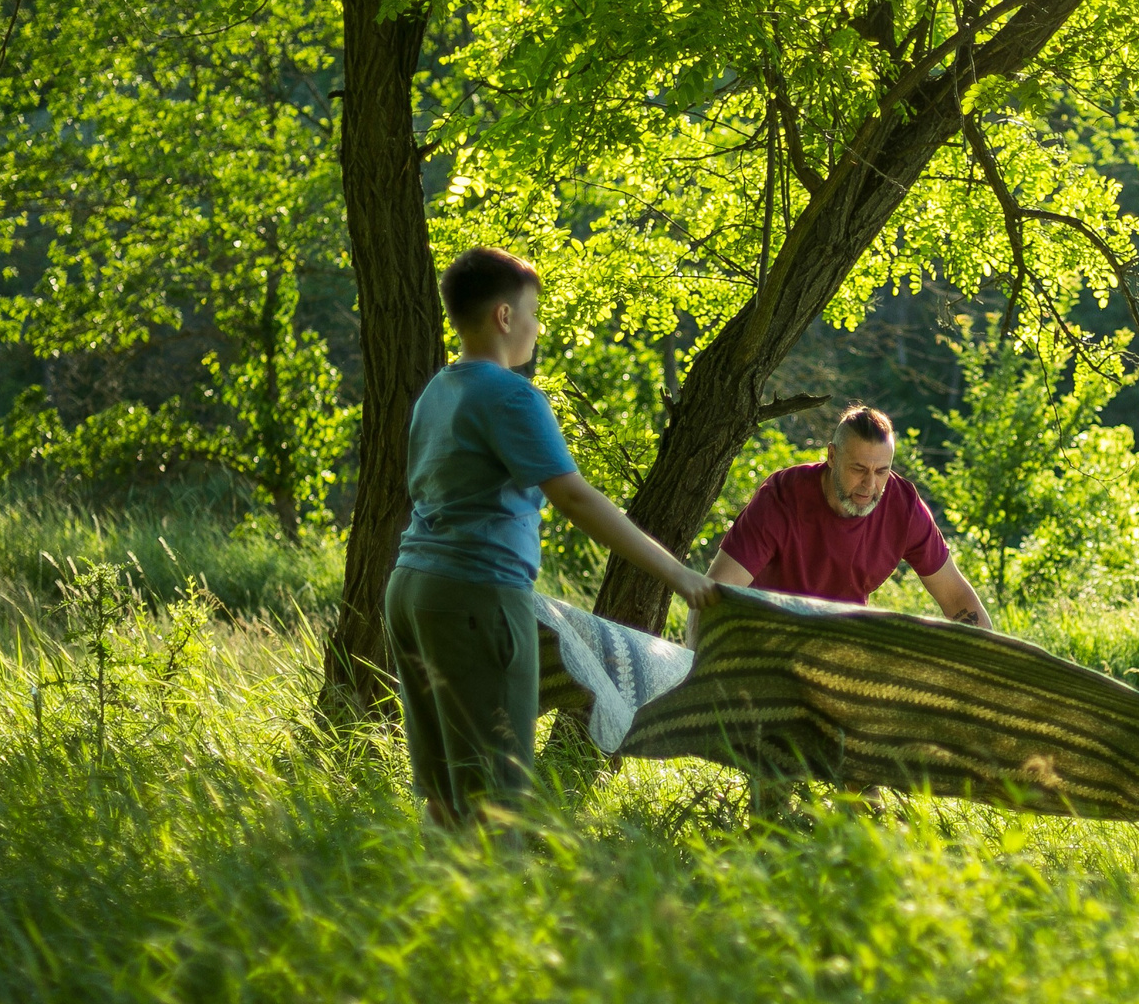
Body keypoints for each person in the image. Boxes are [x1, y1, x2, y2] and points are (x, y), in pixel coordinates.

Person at [386, 246, 718, 826]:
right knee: (496, 798)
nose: (538, 328)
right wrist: (680, 576)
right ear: (504, 318)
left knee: (445, 793)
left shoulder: (437, 391)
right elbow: (574, 496)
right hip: (476, 596)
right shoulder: (511, 395)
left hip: (412, 592)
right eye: (533, 312)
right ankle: (493, 909)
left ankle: (444, 905)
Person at [706, 405, 993, 626]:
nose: (870, 485)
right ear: (832, 457)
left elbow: (956, 597)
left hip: (841, 643)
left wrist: (991, 668)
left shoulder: (903, 507)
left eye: (882, 471)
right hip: (766, 635)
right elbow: (715, 592)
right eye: (859, 469)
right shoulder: (780, 498)